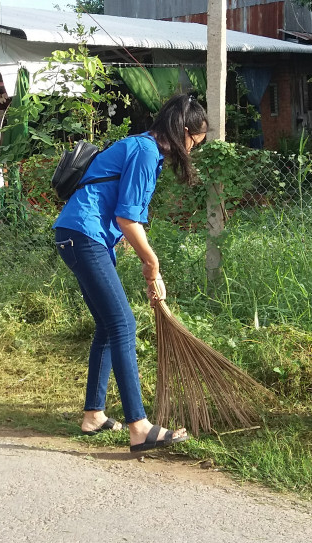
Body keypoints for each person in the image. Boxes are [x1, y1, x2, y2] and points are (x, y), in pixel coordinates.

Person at [53, 93, 207, 454]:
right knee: (123, 325)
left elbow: (125, 219)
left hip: (80, 236)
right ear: (184, 131)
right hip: (84, 236)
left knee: (109, 326)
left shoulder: (142, 148)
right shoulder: (146, 151)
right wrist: (153, 266)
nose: (192, 150)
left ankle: (93, 415)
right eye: (194, 143)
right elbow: (127, 218)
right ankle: (139, 426)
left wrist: (143, 260)